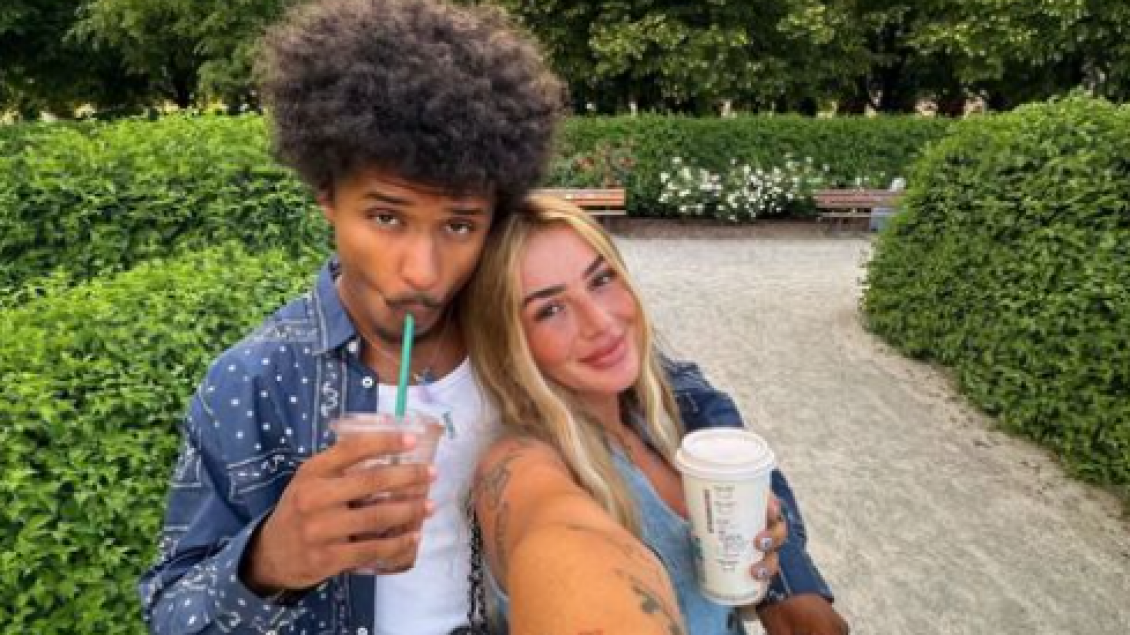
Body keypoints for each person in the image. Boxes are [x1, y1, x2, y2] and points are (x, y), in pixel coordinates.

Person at [138, 0, 839, 633]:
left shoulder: (521, 325)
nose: (423, 271)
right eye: (386, 217)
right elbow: (170, 607)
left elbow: (687, 402)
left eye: (459, 225)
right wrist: (268, 559)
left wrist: (788, 577)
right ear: (326, 195)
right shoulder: (255, 382)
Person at [464, 196, 849, 634]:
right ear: (509, 346)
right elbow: (554, 537)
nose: (601, 322)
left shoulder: (661, 415)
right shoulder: (519, 463)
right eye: (550, 310)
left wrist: (768, 564)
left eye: (601, 280)